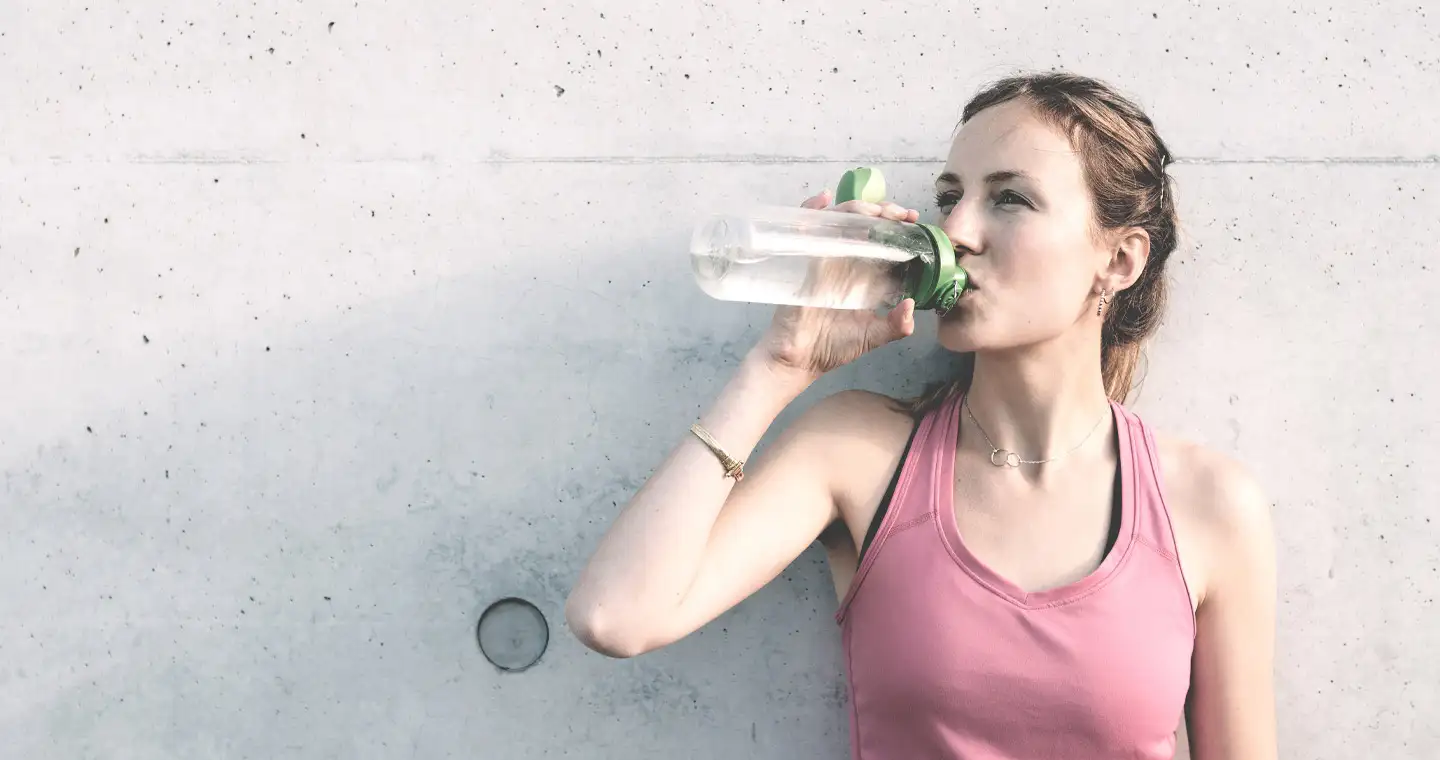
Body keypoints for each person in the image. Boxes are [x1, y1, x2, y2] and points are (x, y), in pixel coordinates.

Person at [565, 72, 1277, 760]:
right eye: (949, 196)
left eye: (1010, 200)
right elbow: (616, 617)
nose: (957, 230)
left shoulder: (1209, 505)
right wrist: (779, 365)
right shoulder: (857, 451)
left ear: (1119, 260)